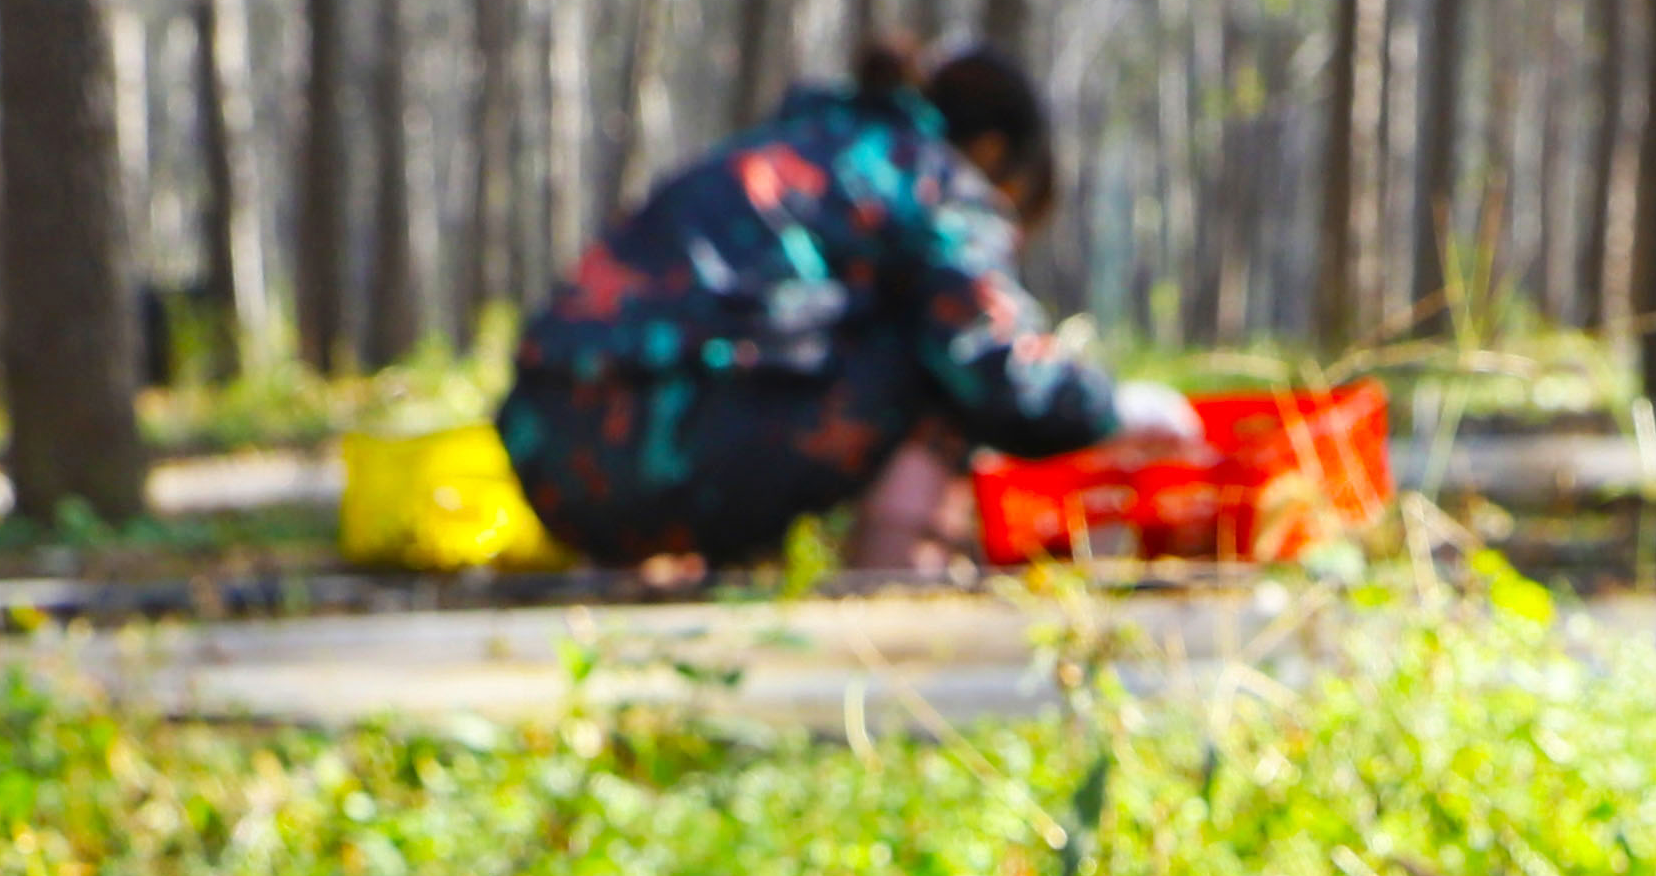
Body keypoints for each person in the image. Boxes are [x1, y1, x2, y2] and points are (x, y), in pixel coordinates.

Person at [499, 37, 1197, 580]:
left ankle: (648, 570)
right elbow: (994, 369)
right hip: (686, 450)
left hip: (550, 458)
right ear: (990, 152)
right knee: (939, 363)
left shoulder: (786, 151)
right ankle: (893, 598)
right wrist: (1117, 408)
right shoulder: (930, 175)